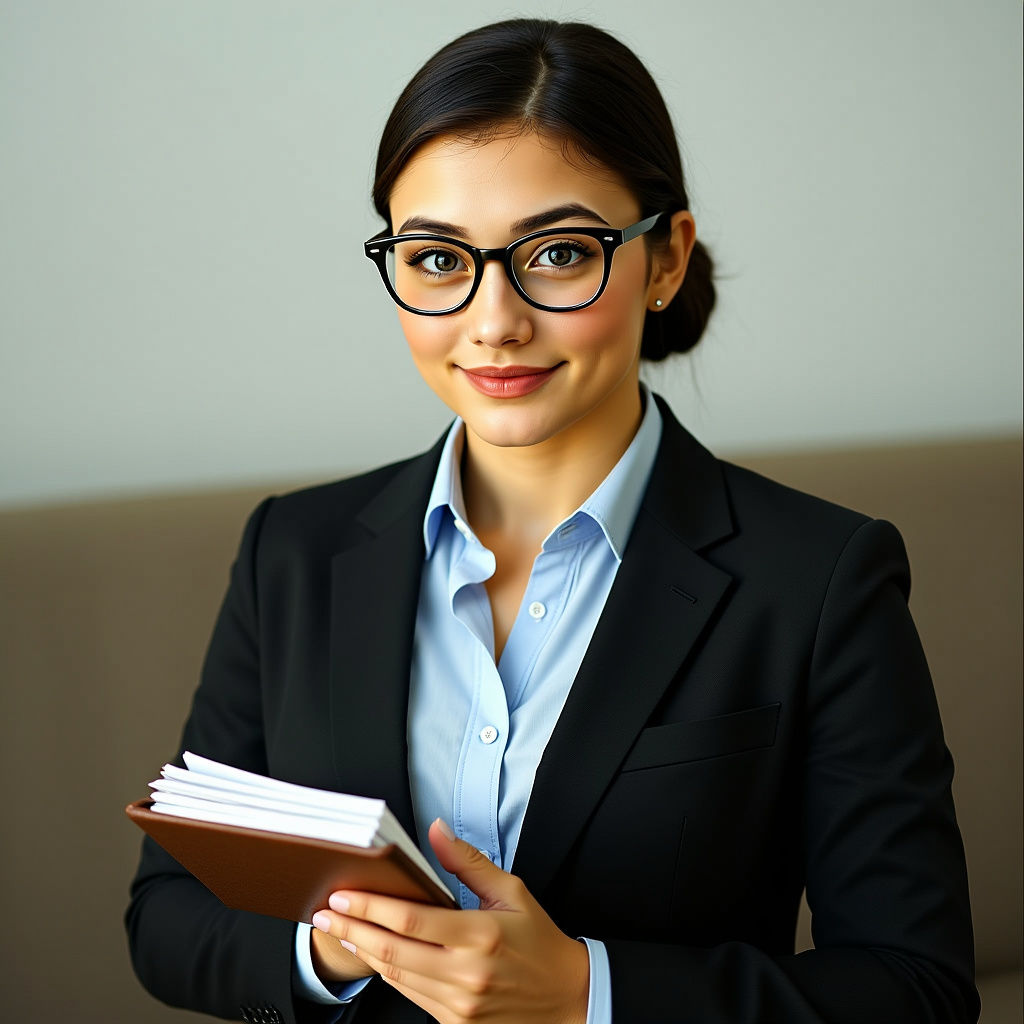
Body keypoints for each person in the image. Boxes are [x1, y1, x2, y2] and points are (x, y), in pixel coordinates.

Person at [126, 18, 979, 1024]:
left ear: (666, 259)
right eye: (439, 260)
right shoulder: (294, 550)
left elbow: (915, 988)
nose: (494, 319)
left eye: (560, 252)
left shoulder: (819, 576)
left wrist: (587, 992)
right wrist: (332, 949)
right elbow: (168, 916)